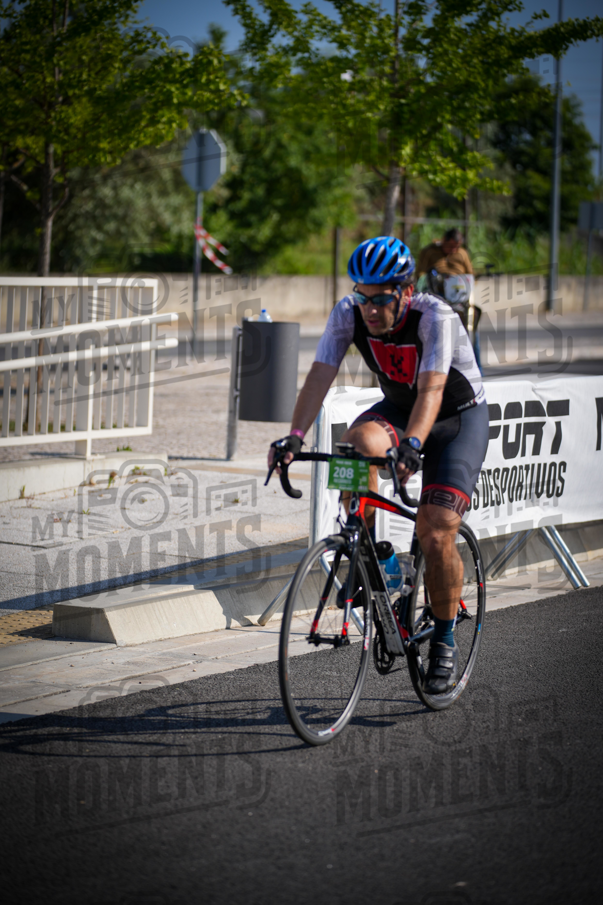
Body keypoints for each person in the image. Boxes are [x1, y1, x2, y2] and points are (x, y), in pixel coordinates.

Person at [268, 236, 489, 695]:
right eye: (362, 296)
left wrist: (412, 445)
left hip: (456, 418)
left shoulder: (435, 316)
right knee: (354, 446)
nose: (369, 308)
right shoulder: (347, 313)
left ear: (405, 291)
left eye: (381, 299)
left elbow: (431, 391)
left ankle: (444, 639)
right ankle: (373, 555)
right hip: (399, 407)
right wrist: (293, 438)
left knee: (435, 531)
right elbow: (317, 380)